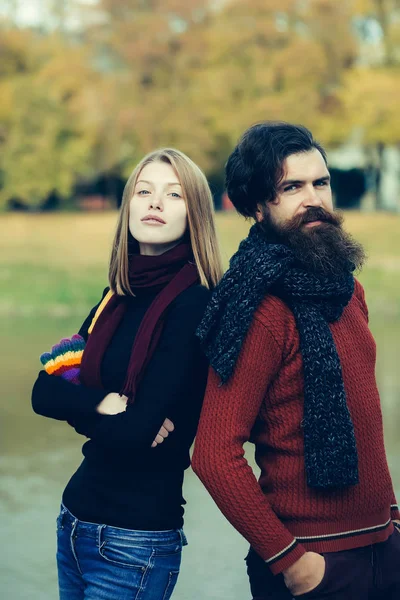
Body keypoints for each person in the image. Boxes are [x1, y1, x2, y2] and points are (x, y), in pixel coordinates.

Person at [192, 122, 400, 600]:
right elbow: (213, 454)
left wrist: (391, 518)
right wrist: (289, 561)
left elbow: (365, 420)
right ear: (257, 206)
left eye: (320, 183)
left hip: (383, 551)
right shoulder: (258, 308)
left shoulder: (348, 290)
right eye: (291, 187)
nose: (314, 200)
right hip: (313, 565)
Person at [32, 148, 223, 600]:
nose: (154, 203)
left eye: (173, 195)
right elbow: (43, 391)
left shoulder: (194, 302)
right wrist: (104, 404)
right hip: (74, 520)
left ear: (194, 214)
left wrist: (106, 412)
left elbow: (136, 432)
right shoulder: (113, 298)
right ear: (129, 205)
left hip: (134, 542)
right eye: (144, 191)